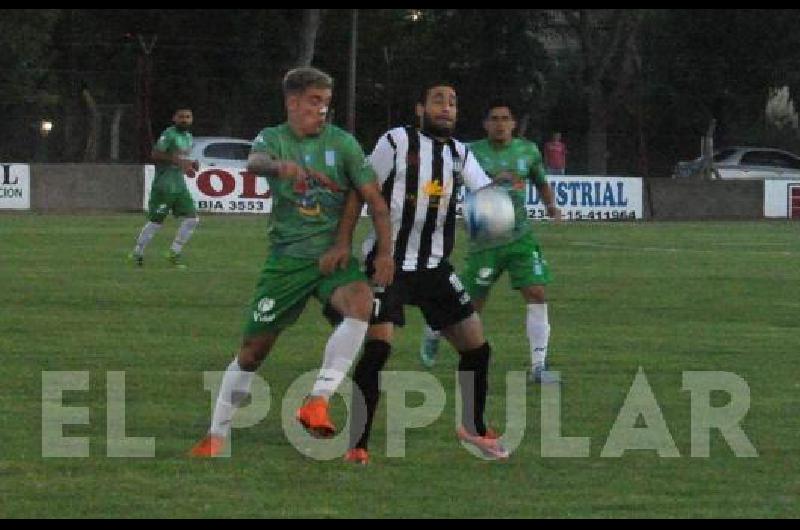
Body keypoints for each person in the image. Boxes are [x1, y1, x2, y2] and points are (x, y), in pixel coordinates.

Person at [189, 67, 394, 457]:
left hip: (331, 259)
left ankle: (317, 400)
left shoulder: (343, 143)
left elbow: (374, 200)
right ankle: (216, 435)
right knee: (252, 352)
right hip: (286, 261)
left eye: (326, 103)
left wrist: (385, 252)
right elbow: (255, 162)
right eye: (314, 102)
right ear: (293, 102)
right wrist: (277, 166)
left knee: (361, 303)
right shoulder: (274, 137)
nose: (322, 110)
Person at [333, 81, 509, 465]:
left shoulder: (460, 153)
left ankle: (472, 426)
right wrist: (343, 243)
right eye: (438, 100)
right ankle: (357, 443)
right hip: (387, 263)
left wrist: (497, 200)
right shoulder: (395, 142)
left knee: (477, 348)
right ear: (420, 108)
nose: (446, 107)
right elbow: (359, 191)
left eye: (453, 101)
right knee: (379, 349)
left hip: (434, 268)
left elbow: (483, 192)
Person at [419, 101, 562, 385]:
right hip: (485, 241)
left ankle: (538, 366)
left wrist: (551, 206)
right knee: (469, 307)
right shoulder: (470, 152)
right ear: (485, 124)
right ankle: (434, 330)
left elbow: (541, 180)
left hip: (521, 238)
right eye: (494, 118)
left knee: (536, 292)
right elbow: (445, 183)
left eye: (505, 119)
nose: (499, 124)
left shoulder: (528, 151)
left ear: (513, 124)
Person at [130, 107, 200, 269]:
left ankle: (174, 253)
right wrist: (179, 162)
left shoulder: (189, 137)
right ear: (174, 118)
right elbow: (156, 154)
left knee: (192, 219)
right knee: (156, 221)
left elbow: (181, 159)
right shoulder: (169, 134)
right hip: (164, 185)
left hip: (179, 184)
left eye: (188, 117)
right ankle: (137, 252)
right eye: (181, 117)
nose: (185, 120)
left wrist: (189, 166)